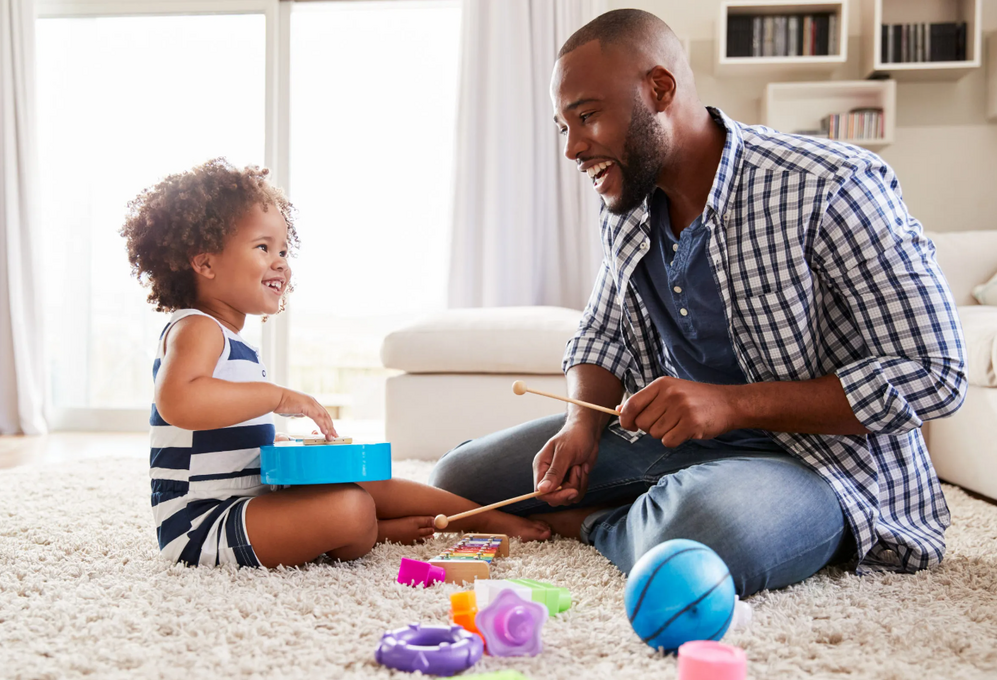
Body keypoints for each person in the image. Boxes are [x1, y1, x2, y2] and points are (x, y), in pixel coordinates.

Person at [430, 9, 966, 596]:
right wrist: (582, 424)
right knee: (459, 478)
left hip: (819, 464)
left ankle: (590, 522)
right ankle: (653, 509)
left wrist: (731, 406)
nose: (573, 148)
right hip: (677, 445)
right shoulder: (629, 203)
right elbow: (602, 334)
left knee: (698, 533)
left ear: (659, 89)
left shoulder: (832, 185)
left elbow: (934, 374)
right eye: (564, 127)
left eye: (587, 116)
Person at [121, 159, 550, 568]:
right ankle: (376, 530)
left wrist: (280, 444)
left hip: (248, 500)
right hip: (201, 526)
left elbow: (222, 428)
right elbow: (179, 401)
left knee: (360, 479)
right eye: (263, 247)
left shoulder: (233, 341)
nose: (280, 262)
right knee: (352, 507)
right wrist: (278, 397)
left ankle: (484, 517)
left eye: (284, 250)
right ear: (204, 262)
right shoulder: (197, 327)